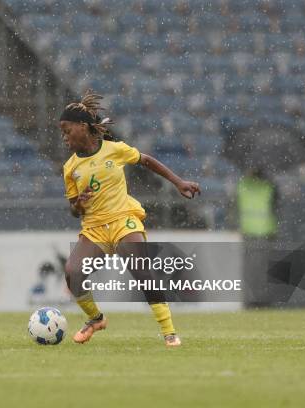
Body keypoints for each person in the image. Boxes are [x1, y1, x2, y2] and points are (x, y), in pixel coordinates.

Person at [60, 91, 200, 346]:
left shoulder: (115, 150)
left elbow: (146, 160)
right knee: (72, 272)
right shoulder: (70, 167)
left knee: (140, 268)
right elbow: (73, 209)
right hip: (94, 228)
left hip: (123, 219)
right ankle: (95, 318)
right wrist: (78, 204)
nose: (64, 136)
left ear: (83, 127)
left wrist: (178, 182)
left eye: (67, 130)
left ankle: (169, 332)